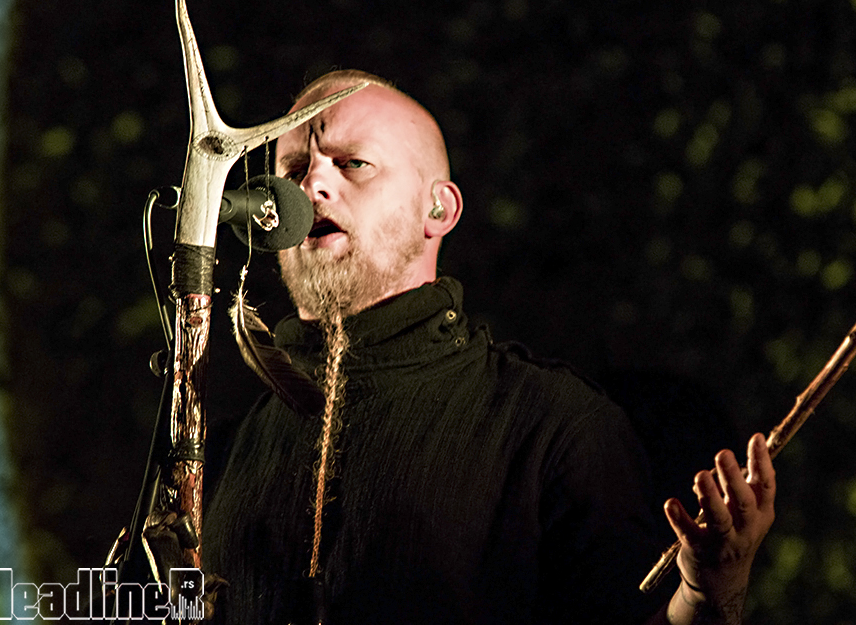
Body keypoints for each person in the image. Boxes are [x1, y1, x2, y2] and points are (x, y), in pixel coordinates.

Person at [202, 69, 776, 625]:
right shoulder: (218, 452)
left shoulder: (555, 427)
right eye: (293, 169)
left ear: (439, 209)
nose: (311, 187)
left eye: (353, 163)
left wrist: (707, 598)